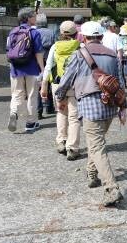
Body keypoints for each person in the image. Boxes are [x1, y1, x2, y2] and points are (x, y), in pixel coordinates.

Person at [54, 21, 126, 207]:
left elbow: (66, 80)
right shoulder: (112, 55)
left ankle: (111, 188)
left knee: (96, 147)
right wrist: (123, 107)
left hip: (89, 106)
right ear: (101, 36)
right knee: (97, 143)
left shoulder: (79, 54)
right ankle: (92, 174)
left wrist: (59, 97)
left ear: (83, 37)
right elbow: (120, 83)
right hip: (110, 106)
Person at [41, 21, 81, 160]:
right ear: (76, 33)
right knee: (74, 117)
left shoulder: (55, 47)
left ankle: (61, 142)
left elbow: (48, 66)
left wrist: (44, 84)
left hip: (58, 85)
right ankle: (72, 148)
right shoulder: (79, 46)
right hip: (75, 85)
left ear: (61, 33)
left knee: (61, 112)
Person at [7, 8, 45, 133]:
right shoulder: (34, 33)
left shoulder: (13, 32)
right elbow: (39, 53)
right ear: (28, 18)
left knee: (17, 94)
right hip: (32, 69)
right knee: (32, 95)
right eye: (34, 16)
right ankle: (30, 123)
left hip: (16, 68)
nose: (36, 18)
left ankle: (14, 112)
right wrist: (42, 69)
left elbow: (9, 51)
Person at [36, 13, 56, 118]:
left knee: (37, 85)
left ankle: (38, 111)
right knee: (48, 82)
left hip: (36, 61)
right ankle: (49, 107)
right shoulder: (51, 32)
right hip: (48, 60)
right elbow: (54, 45)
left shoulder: (34, 32)